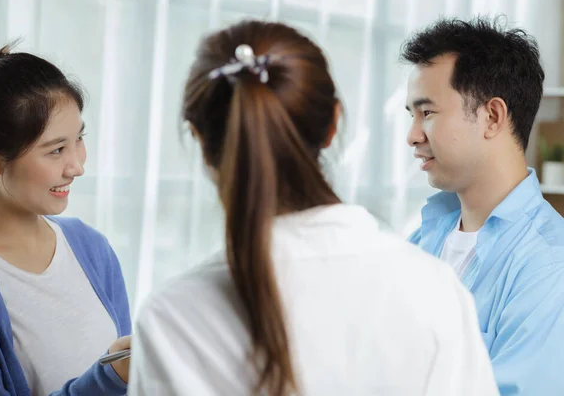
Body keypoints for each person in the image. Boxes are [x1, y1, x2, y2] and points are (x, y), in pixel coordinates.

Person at [128, 20, 498, 396]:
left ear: (200, 139)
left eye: (428, 113)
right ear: (333, 124)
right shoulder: (433, 290)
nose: (413, 134)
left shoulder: (172, 318)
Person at [403, 17, 564, 395]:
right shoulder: (421, 239)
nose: (412, 136)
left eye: (427, 113)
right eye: (411, 115)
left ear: (492, 116)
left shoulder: (550, 265)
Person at [0, 43, 132, 395]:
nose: (78, 166)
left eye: (79, 139)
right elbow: (117, 378)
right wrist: (112, 377)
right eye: (56, 149)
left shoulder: (91, 247)